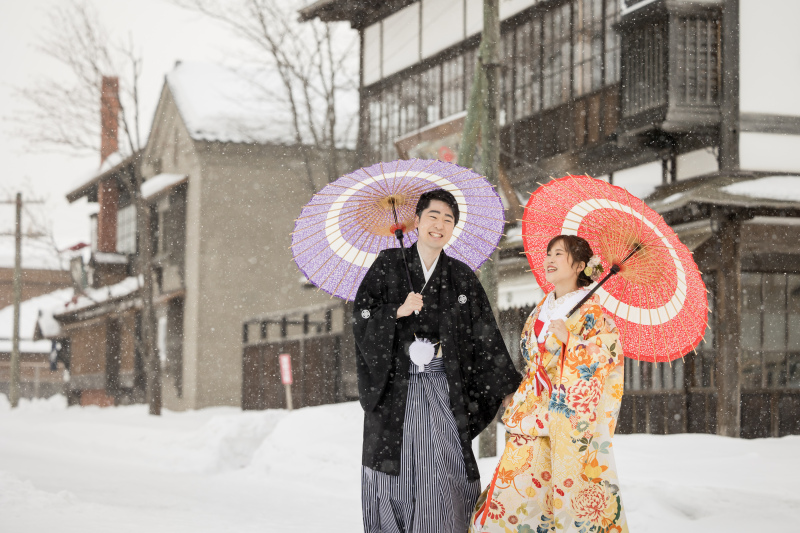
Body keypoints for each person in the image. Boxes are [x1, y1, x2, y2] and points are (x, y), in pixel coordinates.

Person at [353, 188, 521, 533]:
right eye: (433, 216)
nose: (439, 224)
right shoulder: (387, 264)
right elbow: (362, 316)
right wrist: (396, 311)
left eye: (448, 219)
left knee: (445, 465)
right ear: (416, 221)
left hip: (445, 385)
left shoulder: (461, 277)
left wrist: (506, 385)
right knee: (392, 467)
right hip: (396, 386)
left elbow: (484, 334)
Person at [470, 235, 628, 533]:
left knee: (543, 498)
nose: (550, 259)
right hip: (530, 412)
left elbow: (606, 358)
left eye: (559, 254)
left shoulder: (593, 315)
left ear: (580, 266)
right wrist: (521, 391)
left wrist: (574, 342)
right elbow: (535, 360)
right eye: (548, 253)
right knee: (513, 496)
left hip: (562, 417)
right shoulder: (541, 308)